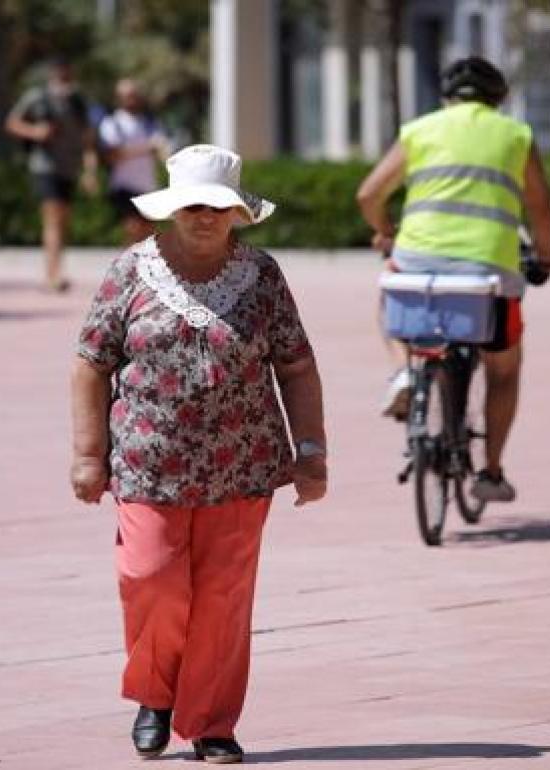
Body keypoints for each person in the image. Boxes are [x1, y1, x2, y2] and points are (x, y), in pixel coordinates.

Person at [70, 144, 327, 764]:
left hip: (242, 468)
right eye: (192, 206)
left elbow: (295, 365)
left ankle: (211, 722)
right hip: (148, 466)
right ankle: (156, 694)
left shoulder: (262, 275)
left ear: (237, 212)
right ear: (171, 209)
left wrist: (311, 450)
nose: (205, 217)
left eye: (217, 206)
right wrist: (88, 455)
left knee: (223, 600)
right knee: (150, 579)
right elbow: (91, 364)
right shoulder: (132, 270)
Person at [356, 56, 550, 504]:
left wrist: (387, 232)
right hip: (488, 270)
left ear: (447, 97)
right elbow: (541, 208)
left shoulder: (420, 130)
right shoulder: (515, 135)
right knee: (504, 370)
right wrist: (545, 254)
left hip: (418, 261)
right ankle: (490, 472)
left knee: (389, 300)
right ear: (498, 98)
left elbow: (368, 194)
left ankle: (403, 373)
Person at [5, 57, 98, 292]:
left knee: (63, 220)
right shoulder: (36, 98)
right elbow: (12, 123)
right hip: (45, 166)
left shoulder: (77, 102)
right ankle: (53, 275)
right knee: (53, 217)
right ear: (51, 74)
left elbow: (88, 140)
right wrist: (34, 131)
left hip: (70, 167)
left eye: (66, 72)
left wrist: (90, 171)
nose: (62, 76)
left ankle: (56, 270)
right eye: (59, 72)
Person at [97, 78, 169, 246]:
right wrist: (146, 148)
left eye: (134, 95)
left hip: (147, 186)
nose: (131, 99)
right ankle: (127, 263)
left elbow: (162, 148)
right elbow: (112, 154)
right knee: (132, 229)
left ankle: (139, 263)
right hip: (124, 185)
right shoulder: (112, 123)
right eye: (127, 96)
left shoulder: (150, 122)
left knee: (148, 235)